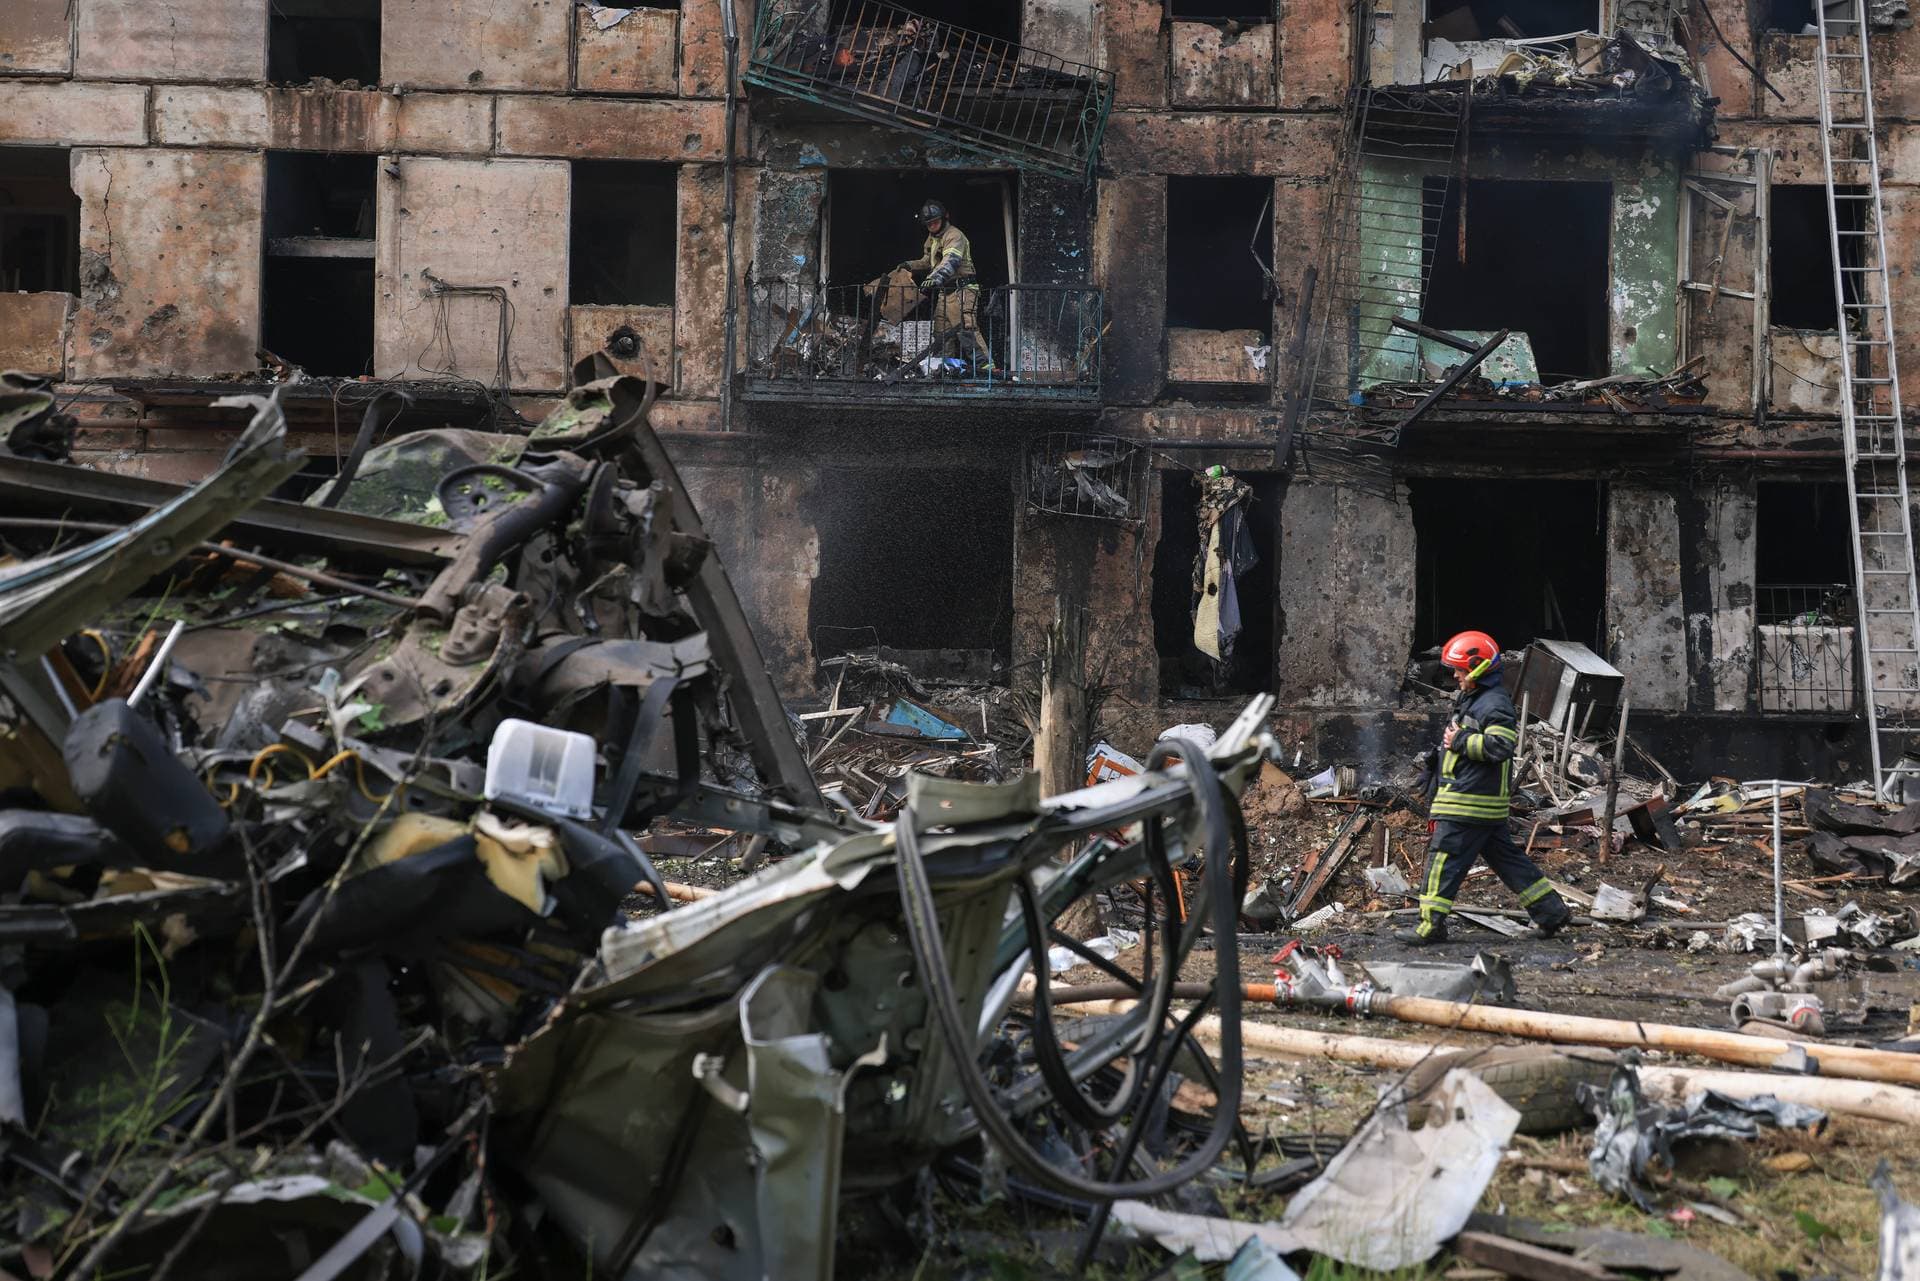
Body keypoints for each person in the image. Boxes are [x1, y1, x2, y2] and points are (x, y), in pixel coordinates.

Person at [1398, 630, 1572, 945]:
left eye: (1460, 670)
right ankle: (1551, 912)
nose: (1454, 675)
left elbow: (1500, 747)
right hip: (1479, 803)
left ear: (1477, 668)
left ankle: (1429, 926)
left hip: (1468, 802)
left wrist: (1459, 741)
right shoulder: (1474, 698)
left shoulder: (1494, 703)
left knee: (1443, 861)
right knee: (1508, 861)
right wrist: (1436, 762)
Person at [897, 200, 993, 369]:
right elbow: (929, 261)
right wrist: (910, 265)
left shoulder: (954, 235)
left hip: (962, 290)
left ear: (944, 218)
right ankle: (944, 369)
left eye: (935, 222)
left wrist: (934, 279)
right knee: (941, 334)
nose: (932, 226)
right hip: (945, 292)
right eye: (928, 224)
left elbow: (951, 261)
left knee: (966, 330)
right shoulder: (932, 239)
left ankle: (988, 369)